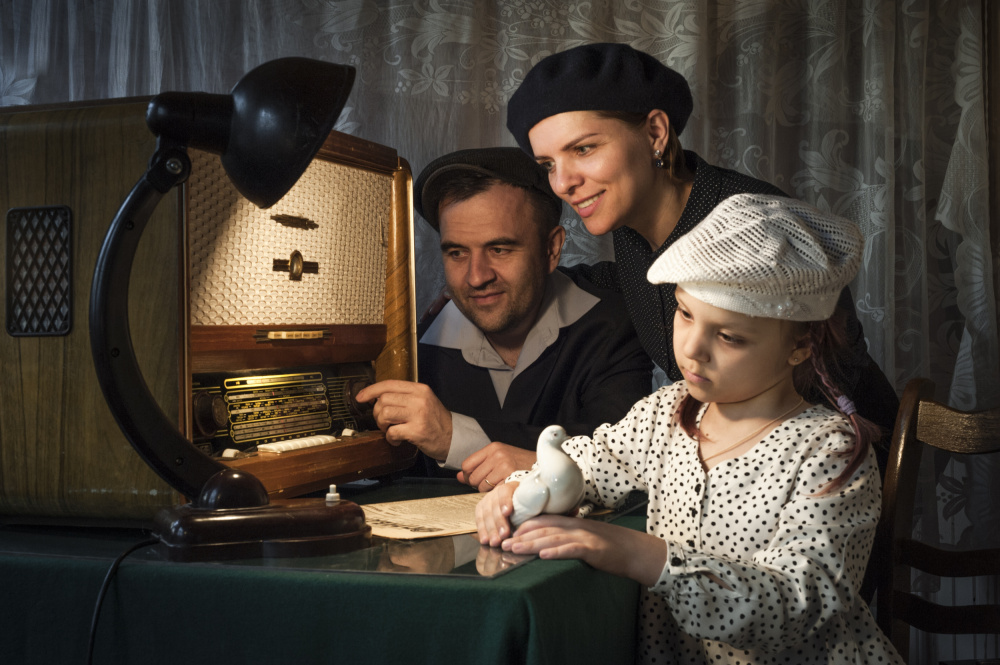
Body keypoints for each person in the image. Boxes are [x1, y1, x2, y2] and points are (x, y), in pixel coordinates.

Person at [476, 193, 905, 665]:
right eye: (685, 314)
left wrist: (642, 555)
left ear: (800, 345)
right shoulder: (668, 412)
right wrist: (520, 489)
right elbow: (590, 462)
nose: (692, 349)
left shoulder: (830, 452)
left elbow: (801, 605)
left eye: (728, 336)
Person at [505, 42, 899, 474]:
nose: (563, 183)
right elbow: (634, 283)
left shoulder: (755, 228)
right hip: (725, 468)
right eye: (548, 164)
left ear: (655, 133)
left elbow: (817, 389)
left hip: (830, 470)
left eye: (583, 149)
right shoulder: (634, 226)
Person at [357, 147, 652, 491]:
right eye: (457, 253)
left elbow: (627, 463)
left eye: (500, 249)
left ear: (552, 249)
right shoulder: (414, 352)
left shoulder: (615, 324)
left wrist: (452, 436)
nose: (476, 277)